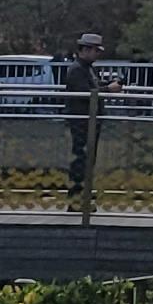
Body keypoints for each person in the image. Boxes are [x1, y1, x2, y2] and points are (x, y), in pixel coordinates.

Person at [55, 33, 105, 200]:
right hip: (81, 120)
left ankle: (84, 192)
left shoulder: (88, 68)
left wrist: (106, 86)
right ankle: (76, 196)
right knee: (80, 159)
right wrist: (108, 90)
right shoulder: (77, 69)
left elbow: (94, 87)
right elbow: (85, 93)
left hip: (89, 120)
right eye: (96, 51)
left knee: (87, 159)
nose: (97, 55)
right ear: (85, 50)